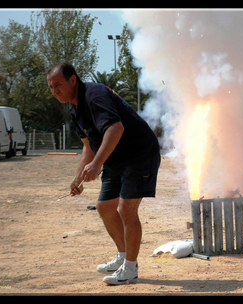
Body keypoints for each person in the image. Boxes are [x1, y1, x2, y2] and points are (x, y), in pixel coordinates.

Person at [46, 62, 160, 285]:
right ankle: (122, 256)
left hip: (139, 154)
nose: (54, 91)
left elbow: (116, 129)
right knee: (105, 207)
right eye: (51, 87)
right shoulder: (73, 107)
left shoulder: (95, 95)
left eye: (58, 84)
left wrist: (97, 165)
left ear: (73, 80)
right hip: (115, 158)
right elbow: (88, 145)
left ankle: (130, 268)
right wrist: (77, 178)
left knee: (126, 209)